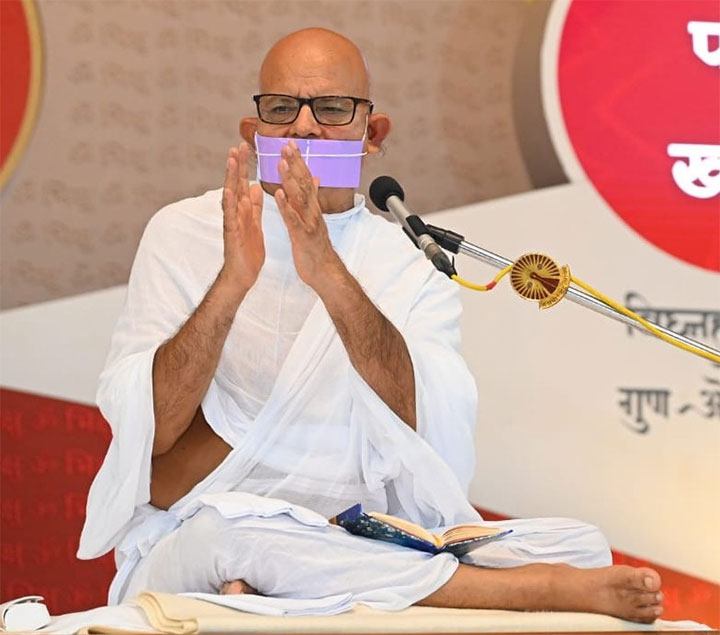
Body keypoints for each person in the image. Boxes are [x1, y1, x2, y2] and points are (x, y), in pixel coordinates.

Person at [79, 28, 664, 623]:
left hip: (359, 539)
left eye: (332, 109)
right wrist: (231, 284)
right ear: (255, 134)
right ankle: (524, 591)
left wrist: (328, 271)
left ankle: (288, 587)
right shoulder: (187, 232)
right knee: (238, 535)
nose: (304, 128)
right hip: (199, 537)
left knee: (579, 543)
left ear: (373, 134)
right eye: (281, 109)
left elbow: (424, 425)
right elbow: (150, 432)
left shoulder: (409, 264)